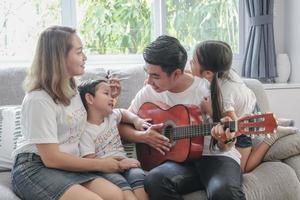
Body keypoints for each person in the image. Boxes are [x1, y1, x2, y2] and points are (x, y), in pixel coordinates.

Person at [118, 35, 245, 200]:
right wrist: (142, 137)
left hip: (215, 157)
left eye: (155, 76)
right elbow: (121, 124)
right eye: (147, 73)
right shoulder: (147, 92)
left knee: (223, 191)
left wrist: (224, 139)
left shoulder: (206, 90)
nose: (148, 81)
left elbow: (227, 143)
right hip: (178, 162)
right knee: (154, 180)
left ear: (177, 73)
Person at [11, 26, 125, 200]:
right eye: (79, 53)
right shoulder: (38, 99)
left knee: (116, 195)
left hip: (67, 164)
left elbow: (96, 111)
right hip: (35, 166)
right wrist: (101, 164)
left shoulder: (73, 89)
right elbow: (52, 159)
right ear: (59, 58)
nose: (84, 58)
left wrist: (110, 97)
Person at [190, 40, 296, 173]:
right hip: (251, 104)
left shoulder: (224, 95)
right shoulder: (224, 71)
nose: (190, 63)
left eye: (193, 61)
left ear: (208, 73)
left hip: (242, 120)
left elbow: (235, 129)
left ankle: (273, 136)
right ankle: (273, 121)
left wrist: (209, 111)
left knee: (243, 168)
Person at [78, 79, 150, 200]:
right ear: (90, 99)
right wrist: (119, 165)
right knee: (122, 186)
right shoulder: (85, 131)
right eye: (106, 94)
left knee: (138, 175)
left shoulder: (111, 116)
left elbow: (123, 112)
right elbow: (90, 160)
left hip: (126, 163)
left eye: (112, 95)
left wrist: (136, 120)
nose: (112, 98)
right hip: (104, 170)